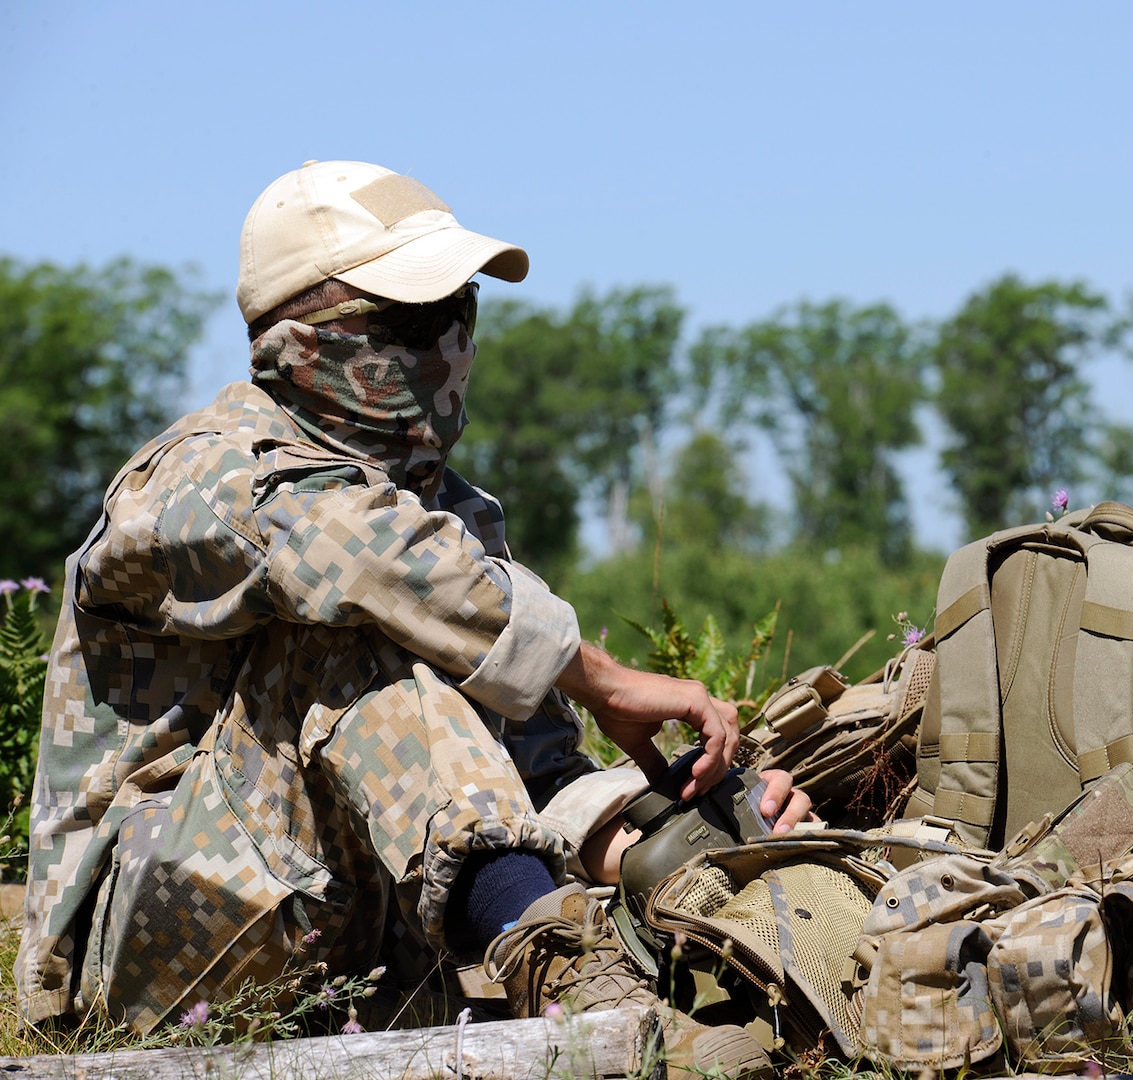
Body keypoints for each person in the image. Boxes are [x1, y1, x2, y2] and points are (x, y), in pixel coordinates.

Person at [19, 159, 808, 1072]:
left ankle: (582, 959)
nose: (446, 349)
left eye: (456, 315)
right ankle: (570, 980)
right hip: (155, 959)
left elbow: (530, 765)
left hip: (359, 958)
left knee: (468, 682)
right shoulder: (201, 474)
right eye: (406, 324)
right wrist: (604, 678)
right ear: (301, 339)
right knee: (359, 634)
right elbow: (355, 554)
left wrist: (674, 843)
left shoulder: (445, 517)